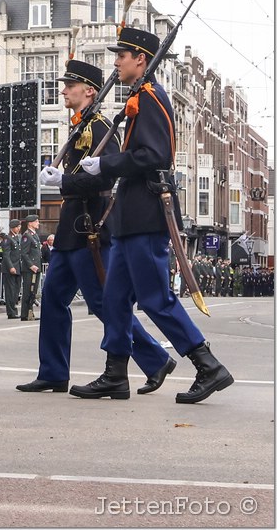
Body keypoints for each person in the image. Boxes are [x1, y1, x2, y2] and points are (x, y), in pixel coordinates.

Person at [71, 26, 232, 404]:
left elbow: (155, 155)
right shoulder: (139, 96)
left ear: (140, 59)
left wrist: (105, 165)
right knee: (113, 300)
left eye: (121, 56)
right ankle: (115, 374)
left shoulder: (152, 97)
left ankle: (208, 366)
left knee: (156, 298)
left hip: (147, 212)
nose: (116, 62)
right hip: (131, 216)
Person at [26, 58, 173, 394]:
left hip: (89, 225)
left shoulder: (100, 127)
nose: (63, 90)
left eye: (70, 86)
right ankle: (52, 371)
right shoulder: (81, 124)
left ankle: (153, 358)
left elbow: (102, 178)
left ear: (89, 91)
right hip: (71, 227)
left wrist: (63, 181)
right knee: (52, 298)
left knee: (103, 302)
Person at [18, 215, 43, 321]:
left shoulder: (34, 235)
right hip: (30, 269)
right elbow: (24, 253)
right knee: (28, 291)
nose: (38, 223)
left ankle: (30, 312)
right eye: (36, 221)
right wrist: (31, 265)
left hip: (36, 268)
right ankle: (25, 314)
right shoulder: (26, 236)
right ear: (30, 223)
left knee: (32, 292)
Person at [1, 219, 23, 319]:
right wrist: (11, 267)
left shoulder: (16, 238)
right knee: (10, 291)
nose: (19, 228)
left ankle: (14, 309)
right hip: (10, 268)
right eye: (17, 226)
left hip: (18, 267)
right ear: (13, 227)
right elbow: (6, 255)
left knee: (16, 290)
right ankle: (11, 312)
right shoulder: (7, 238)